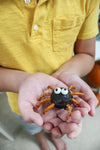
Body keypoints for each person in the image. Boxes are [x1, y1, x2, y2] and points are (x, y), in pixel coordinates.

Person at [0, 0, 99, 150]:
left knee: (58, 123)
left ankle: (53, 135)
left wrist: (66, 73)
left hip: (63, 88)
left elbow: (86, 54)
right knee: (33, 125)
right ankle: (41, 139)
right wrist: (23, 81)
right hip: (21, 99)